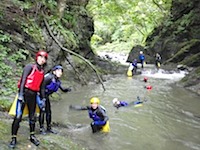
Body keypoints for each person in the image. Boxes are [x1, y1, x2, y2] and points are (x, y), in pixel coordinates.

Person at [9, 50, 48, 148]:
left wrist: (43, 99)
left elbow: (42, 88)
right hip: (25, 93)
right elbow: (23, 80)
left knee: (32, 117)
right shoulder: (29, 67)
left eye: (44, 58)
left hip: (33, 95)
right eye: (40, 57)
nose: (42, 60)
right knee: (18, 117)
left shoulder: (42, 72)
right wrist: (21, 94)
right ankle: (13, 137)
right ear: (37, 57)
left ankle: (32, 135)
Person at [39, 65, 72, 135]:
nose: (60, 73)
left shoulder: (57, 81)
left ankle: (49, 128)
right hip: (40, 95)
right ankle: (41, 128)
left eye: (61, 71)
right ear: (54, 71)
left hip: (46, 96)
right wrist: (43, 98)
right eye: (58, 71)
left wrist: (67, 90)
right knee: (43, 111)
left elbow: (62, 89)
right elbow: (42, 87)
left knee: (49, 112)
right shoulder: (48, 77)